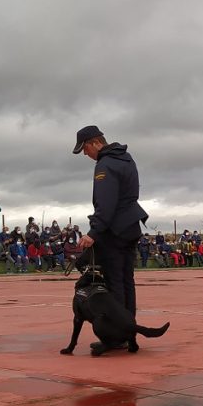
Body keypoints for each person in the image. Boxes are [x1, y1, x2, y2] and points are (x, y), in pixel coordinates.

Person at [73, 125, 149, 315]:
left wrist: (94, 232)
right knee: (126, 280)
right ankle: (128, 328)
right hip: (131, 225)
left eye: (85, 148)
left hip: (115, 230)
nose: (85, 154)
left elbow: (106, 203)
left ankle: (116, 334)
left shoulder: (105, 164)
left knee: (114, 282)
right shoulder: (126, 158)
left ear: (96, 143)